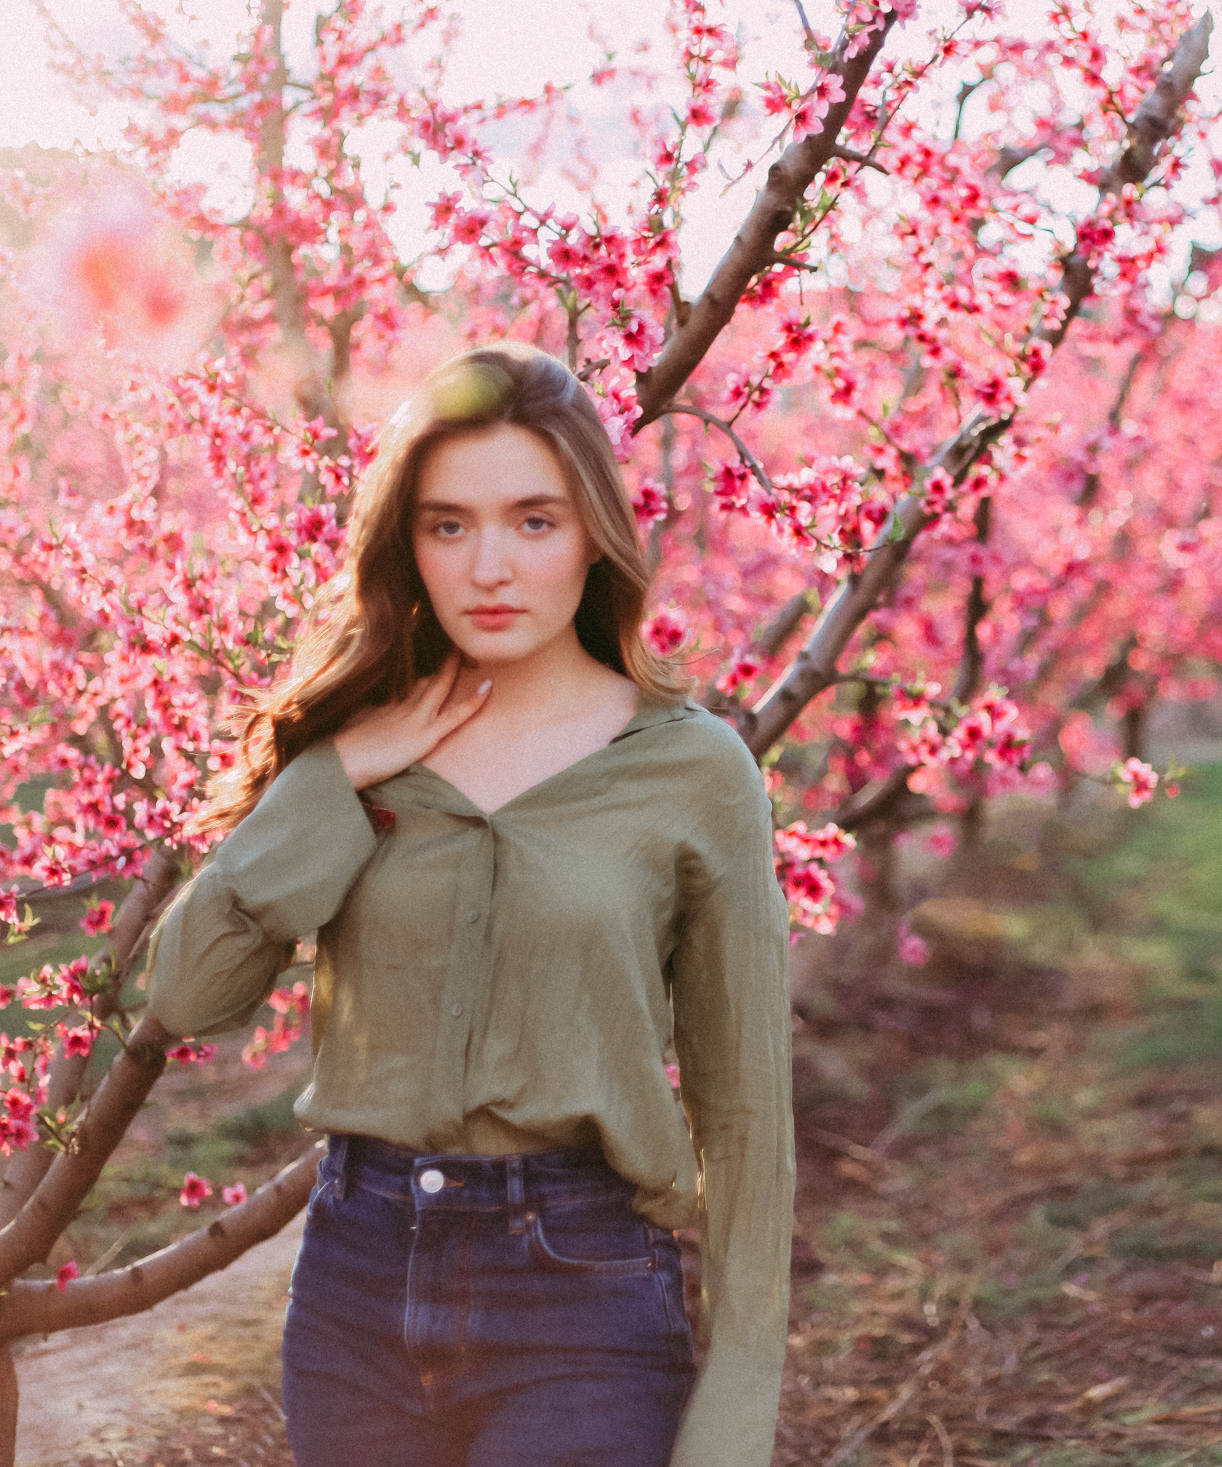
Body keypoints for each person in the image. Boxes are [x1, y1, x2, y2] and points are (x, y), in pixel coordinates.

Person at [144, 341, 794, 1467]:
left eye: (533, 520)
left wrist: (735, 1409)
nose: (489, 565)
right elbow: (187, 995)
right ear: (411, 545)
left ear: (594, 532)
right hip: (354, 1283)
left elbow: (742, 1118)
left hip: (581, 1296)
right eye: (449, 525)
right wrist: (328, 778)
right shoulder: (358, 752)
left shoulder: (693, 772)